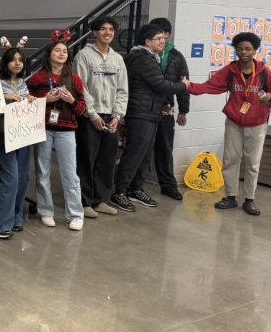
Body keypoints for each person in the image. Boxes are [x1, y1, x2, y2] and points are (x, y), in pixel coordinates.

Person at [182, 32, 271, 215]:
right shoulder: (230, 71)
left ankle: (249, 200)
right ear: (236, 51)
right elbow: (210, 86)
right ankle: (231, 197)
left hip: (257, 123)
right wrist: (189, 86)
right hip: (234, 122)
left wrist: (270, 96)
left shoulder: (264, 72)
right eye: (240, 49)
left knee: (252, 163)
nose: (243, 52)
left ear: (255, 51)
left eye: (248, 49)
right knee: (230, 159)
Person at [111, 23, 188, 212]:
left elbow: (152, 89)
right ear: (147, 41)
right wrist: (183, 86)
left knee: (145, 155)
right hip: (140, 113)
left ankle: (135, 189)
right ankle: (119, 192)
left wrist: (163, 105)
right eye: (159, 39)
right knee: (135, 153)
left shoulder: (149, 58)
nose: (163, 42)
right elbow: (160, 84)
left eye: (163, 38)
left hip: (150, 112)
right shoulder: (143, 59)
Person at [27, 30, 86, 231]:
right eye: (57, 50)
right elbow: (28, 104)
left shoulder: (75, 79)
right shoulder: (38, 78)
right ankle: (45, 211)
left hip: (66, 130)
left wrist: (72, 100)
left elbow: (82, 109)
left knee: (70, 174)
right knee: (42, 171)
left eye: (64, 51)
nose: (62, 54)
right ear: (49, 54)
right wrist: (45, 100)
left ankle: (75, 215)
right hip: (42, 129)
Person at [73, 16, 127, 218]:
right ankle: (84, 201)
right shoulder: (83, 56)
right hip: (89, 117)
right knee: (86, 160)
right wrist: (93, 114)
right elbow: (81, 88)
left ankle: (100, 200)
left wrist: (117, 116)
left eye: (111, 29)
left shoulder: (118, 59)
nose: (108, 32)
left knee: (107, 160)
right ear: (95, 32)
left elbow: (123, 90)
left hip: (111, 116)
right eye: (103, 29)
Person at [0, 37, 36, 238]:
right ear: (5, 62)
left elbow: (24, 106)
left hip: (22, 134)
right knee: (10, 177)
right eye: (13, 60)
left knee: (23, 177)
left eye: (20, 60)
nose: (17, 63)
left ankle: (15, 217)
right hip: (3, 133)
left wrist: (29, 100)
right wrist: (4, 98)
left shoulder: (23, 83)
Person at [148, 17, 190, 200]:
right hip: (144, 108)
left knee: (165, 147)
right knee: (141, 148)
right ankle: (131, 186)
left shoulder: (176, 57)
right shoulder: (144, 54)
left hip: (166, 109)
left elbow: (184, 84)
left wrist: (183, 110)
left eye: (161, 34)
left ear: (167, 34)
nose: (158, 38)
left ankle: (168, 185)